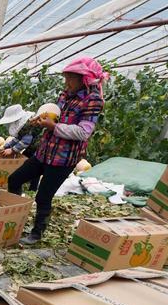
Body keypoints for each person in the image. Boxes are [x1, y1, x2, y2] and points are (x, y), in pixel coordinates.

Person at [8, 57, 106, 245]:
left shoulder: (93, 101)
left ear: (83, 79)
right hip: (45, 151)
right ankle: (14, 217)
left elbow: (83, 132)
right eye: (66, 78)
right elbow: (55, 116)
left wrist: (53, 126)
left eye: (70, 78)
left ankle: (37, 233)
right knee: (15, 179)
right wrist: (41, 120)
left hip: (64, 158)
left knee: (43, 195)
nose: (66, 82)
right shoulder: (65, 94)